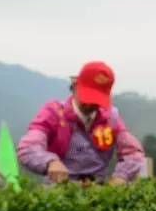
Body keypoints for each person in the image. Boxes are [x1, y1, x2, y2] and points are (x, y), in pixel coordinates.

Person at [17, 62, 147, 185]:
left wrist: (121, 176)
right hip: (58, 191)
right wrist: (50, 161)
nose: (90, 104)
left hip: (99, 191)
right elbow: (28, 148)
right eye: (87, 97)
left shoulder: (111, 117)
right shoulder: (53, 112)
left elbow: (133, 153)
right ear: (75, 87)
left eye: (96, 99)